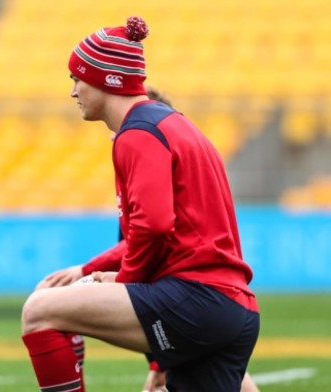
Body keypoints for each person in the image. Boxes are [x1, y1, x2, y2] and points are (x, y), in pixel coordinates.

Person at [21, 16, 259, 392]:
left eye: (76, 78)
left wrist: (124, 283)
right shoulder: (175, 124)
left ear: (103, 77)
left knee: (40, 310)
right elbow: (166, 229)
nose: (73, 91)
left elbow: (154, 225)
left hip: (197, 300)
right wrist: (93, 269)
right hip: (233, 307)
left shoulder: (138, 133)